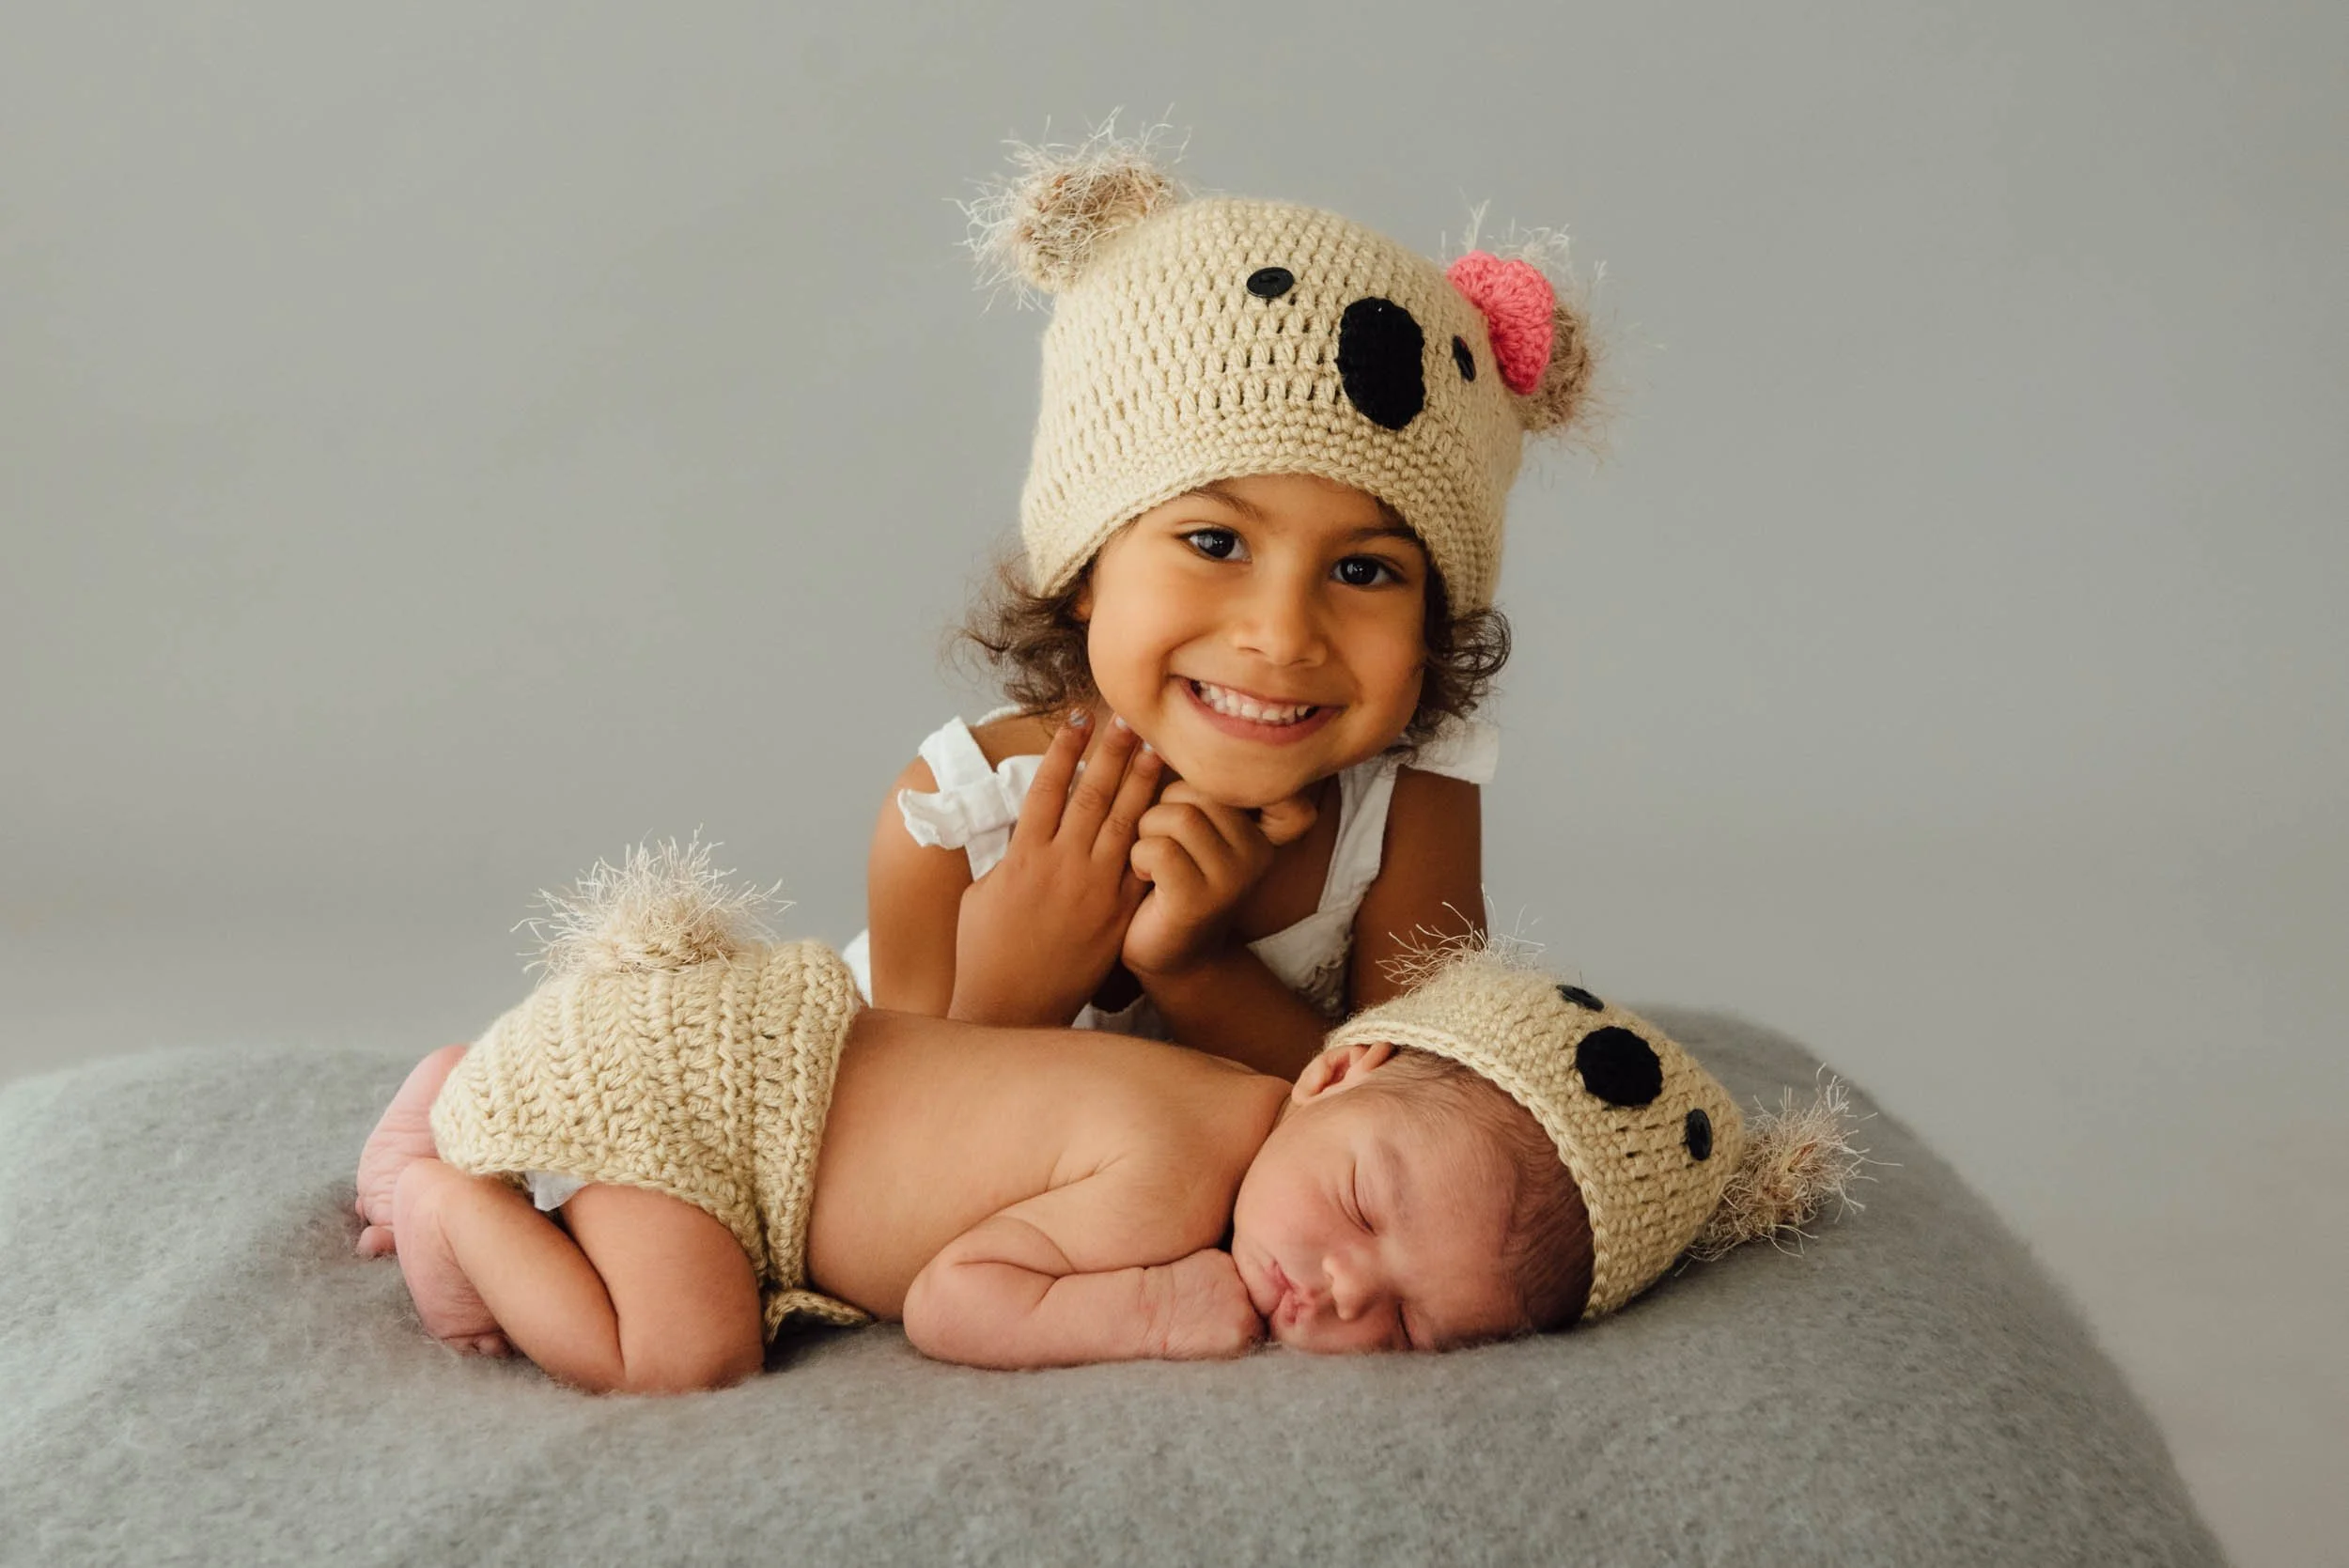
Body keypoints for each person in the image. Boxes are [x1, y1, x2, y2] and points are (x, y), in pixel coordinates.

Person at [353, 843, 1861, 1394]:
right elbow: (954, 1300)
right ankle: (444, 1186)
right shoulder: (1178, 1171)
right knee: (681, 1355)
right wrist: (1148, 1315)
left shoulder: (1240, 1122)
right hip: (706, 1109)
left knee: (635, 1301)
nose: (1338, 1287)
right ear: (1333, 1072)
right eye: (1359, 1209)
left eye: (1404, 1324)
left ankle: (460, 1087)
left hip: (732, 1096)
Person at [848, 124, 1601, 1079]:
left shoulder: (1407, 807)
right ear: (1085, 569)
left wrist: (1195, 967)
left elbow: (1410, 1131)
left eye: (1364, 571)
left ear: (1431, 625)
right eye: (1213, 542)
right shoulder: (955, 817)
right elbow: (887, 1175)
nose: (1281, 636)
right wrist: (1011, 993)